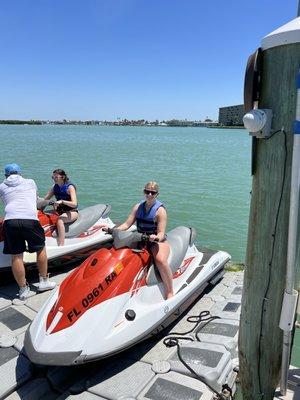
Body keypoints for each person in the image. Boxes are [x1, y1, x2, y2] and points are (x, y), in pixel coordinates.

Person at [104, 181, 173, 299]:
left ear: (157, 194)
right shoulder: (138, 207)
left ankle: (170, 291)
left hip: (155, 241)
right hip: (140, 238)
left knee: (160, 260)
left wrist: (155, 237)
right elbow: (126, 224)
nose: (150, 195)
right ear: (144, 192)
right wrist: (112, 230)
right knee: (120, 252)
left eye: (153, 192)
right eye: (147, 192)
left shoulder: (160, 211)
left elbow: (161, 232)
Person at [0, 163, 56, 300]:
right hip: (30, 219)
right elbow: (35, 199)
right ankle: (43, 282)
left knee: (16, 256)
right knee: (40, 249)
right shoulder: (30, 182)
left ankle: (23, 289)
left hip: (10, 221)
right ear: (20, 173)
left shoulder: (2, 186)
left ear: (6, 175)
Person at [44, 169, 78, 246]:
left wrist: (62, 201)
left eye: (56, 177)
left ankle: (61, 245)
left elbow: (74, 204)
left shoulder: (70, 187)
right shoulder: (54, 187)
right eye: (53, 177)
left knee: (60, 220)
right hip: (59, 211)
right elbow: (45, 199)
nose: (54, 179)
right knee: (44, 215)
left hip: (72, 211)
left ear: (62, 177)